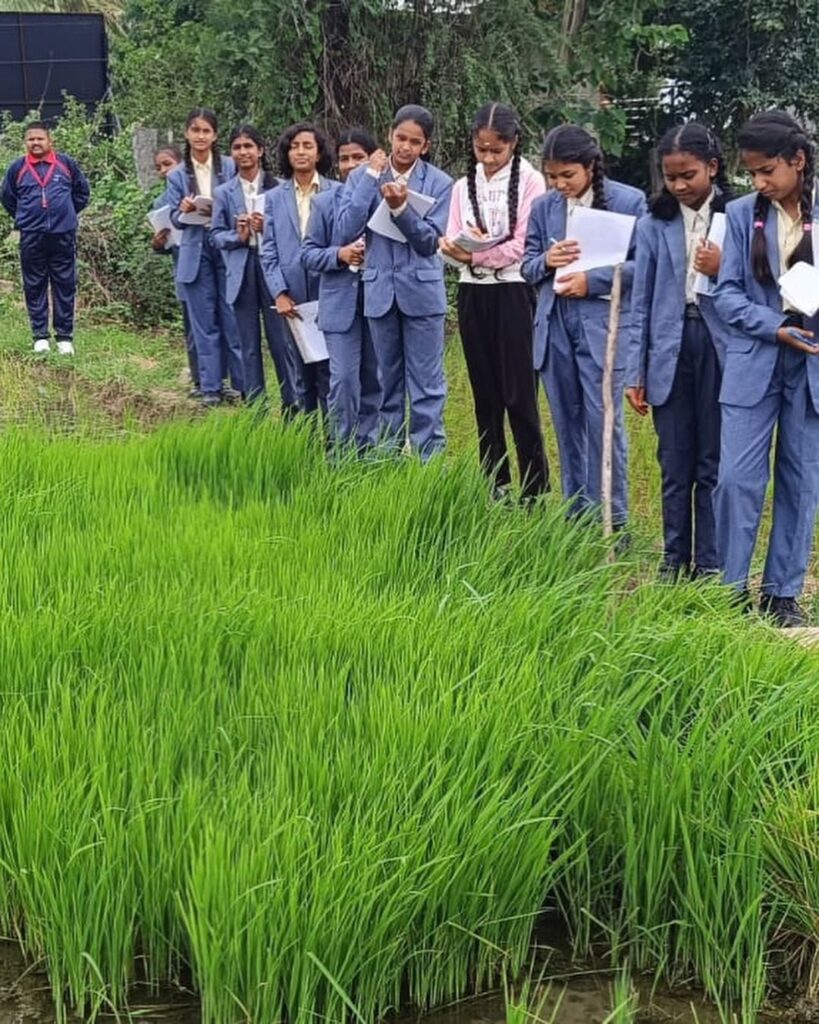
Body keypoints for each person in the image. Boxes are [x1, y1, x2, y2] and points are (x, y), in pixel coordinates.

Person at [712, 110, 819, 627]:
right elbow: (725, 294)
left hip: (811, 368)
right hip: (755, 361)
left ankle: (783, 595)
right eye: (751, 173)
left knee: (801, 482)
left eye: (766, 170)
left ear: (797, 161)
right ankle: (731, 589)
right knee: (736, 479)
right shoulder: (740, 215)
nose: (759, 182)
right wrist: (772, 324)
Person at [522, 124, 646, 533]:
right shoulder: (543, 207)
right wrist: (548, 261)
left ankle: (614, 523)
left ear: (591, 166)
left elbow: (643, 266)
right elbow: (527, 266)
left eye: (567, 175)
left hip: (602, 328)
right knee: (566, 422)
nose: (559, 184)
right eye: (552, 175)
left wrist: (591, 281)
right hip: (555, 324)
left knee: (603, 425)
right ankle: (577, 520)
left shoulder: (630, 201)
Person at [626, 124, 733, 580]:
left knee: (712, 459)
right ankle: (674, 561)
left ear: (711, 167)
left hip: (718, 343)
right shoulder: (654, 223)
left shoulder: (739, 216)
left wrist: (724, 265)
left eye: (688, 175)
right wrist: (636, 371)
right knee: (674, 461)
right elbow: (641, 302)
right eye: (671, 177)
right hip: (670, 346)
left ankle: (709, 563)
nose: (680, 186)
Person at [440, 101, 549, 502]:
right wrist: (454, 249)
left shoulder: (532, 181)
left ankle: (535, 487)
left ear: (513, 144)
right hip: (473, 290)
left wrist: (481, 254)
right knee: (484, 394)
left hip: (513, 290)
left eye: (496, 151)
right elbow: (450, 235)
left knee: (518, 393)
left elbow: (525, 243)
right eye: (481, 149)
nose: (487, 158)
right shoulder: (460, 186)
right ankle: (496, 482)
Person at [336, 104, 453, 461]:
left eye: (414, 142)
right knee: (386, 382)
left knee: (427, 385)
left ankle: (428, 462)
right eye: (400, 138)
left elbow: (430, 241)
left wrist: (402, 210)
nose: (405, 147)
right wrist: (370, 177)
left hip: (422, 291)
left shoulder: (440, 182)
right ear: (389, 135)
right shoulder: (363, 176)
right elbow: (345, 229)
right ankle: (386, 458)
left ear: (426, 146)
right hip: (379, 290)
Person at [301, 127, 381, 452]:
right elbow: (307, 253)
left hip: (378, 302)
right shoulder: (324, 203)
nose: (350, 165)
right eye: (345, 158)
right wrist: (339, 254)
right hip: (339, 305)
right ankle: (340, 451)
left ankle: (370, 450)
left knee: (375, 380)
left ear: (374, 161)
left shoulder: (386, 198)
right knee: (344, 380)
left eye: (358, 157)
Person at [211, 125, 300, 415]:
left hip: (272, 269)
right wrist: (237, 236)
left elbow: (293, 229)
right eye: (237, 147)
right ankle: (256, 408)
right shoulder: (223, 193)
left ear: (260, 150)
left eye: (248, 146)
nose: (243, 152)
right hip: (242, 267)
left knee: (281, 342)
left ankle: (292, 405)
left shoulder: (278, 188)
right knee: (247, 344)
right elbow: (215, 236)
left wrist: (267, 227)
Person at [166, 107, 243, 407]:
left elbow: (242, 202)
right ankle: (210, 386)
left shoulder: (229, 166)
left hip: (225, 245)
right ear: (187, 133)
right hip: (195, 248)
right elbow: (173, 217)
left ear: (215, 135)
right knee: (203, 320)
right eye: (195, 130)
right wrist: (184, 211)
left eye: (206, 131)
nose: (200, 136)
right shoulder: (176, 175)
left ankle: (240, 384)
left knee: (232, 318)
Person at [261, 121, 337, 415]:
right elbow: (268, 251)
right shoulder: (273, 198)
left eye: (308, 146)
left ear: (318, 154)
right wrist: (279, 292)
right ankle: (304, 450)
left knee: (329, 375)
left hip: (328, 294)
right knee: (300, 376)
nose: (301, 152)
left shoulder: (335, 192)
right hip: (291, 300)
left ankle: (334, 451)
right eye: (295, 146)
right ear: (286, 153)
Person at [1, 120, 89, 356]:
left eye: (40, 138)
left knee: (64, 284)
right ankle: (40, 337)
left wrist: (66, 213)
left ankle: (64, 338)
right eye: (31, 139)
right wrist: (26, 217)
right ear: (25, 142)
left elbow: (82, 193)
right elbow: (8, 198)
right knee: (34, 284)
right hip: (32, 235)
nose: (36, 143)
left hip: (63, 234)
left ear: (50, 141)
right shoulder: (17, 168)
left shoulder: (65, 164)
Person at [149, 145, 200, 398]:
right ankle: (199, 380)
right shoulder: (159, 203)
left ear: (181, 164)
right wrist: (158, 242)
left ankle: (226, 379)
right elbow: (163, 245)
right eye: (159, 167)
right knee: (192, 326)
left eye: (167, 164)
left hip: (209, 265)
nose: (163, 171)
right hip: (183, 266)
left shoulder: (197, 194)